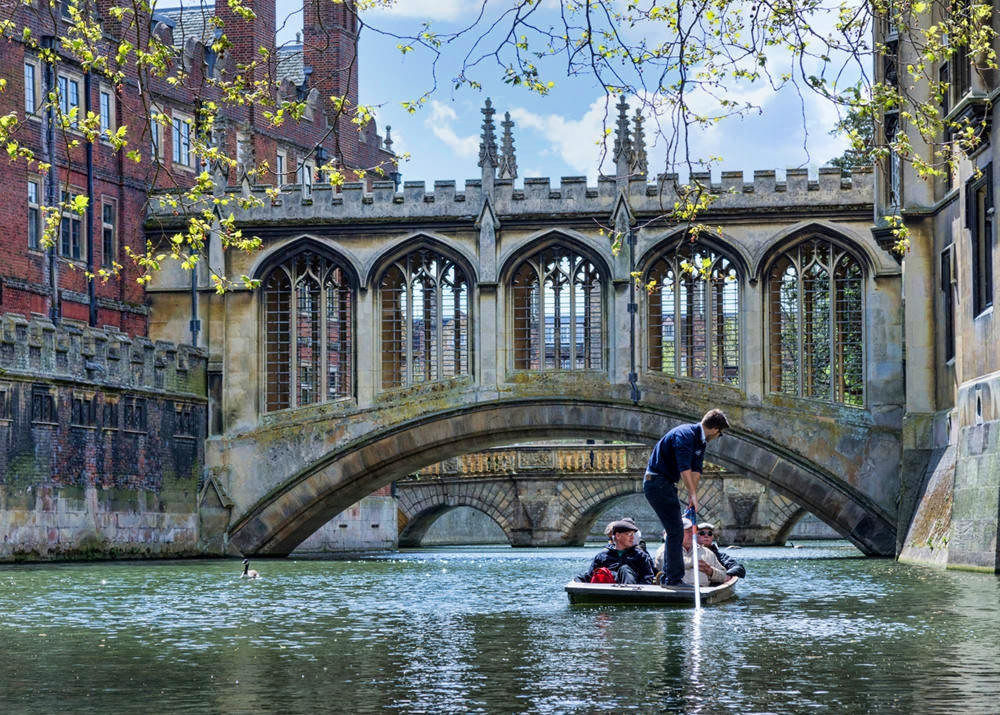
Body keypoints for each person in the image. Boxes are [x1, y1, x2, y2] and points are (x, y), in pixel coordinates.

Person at [643, 408, 730, 586]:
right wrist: (691, 494)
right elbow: (685, 469)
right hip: (657, 483)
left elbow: (696, 469)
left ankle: (670, 577)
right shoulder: (684, 435)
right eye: (720, 434)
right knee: (675, 531)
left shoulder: (701, 442)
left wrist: (693, 495)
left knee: (674, 530)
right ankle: (673, 579)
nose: (717, 437)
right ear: (715, 429)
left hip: (666, 485)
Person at [575, 518, 656, 585]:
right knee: (602, 572)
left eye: (633, 534)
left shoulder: (640, 555)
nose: (632, 538)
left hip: (633, 590)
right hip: (608, 590)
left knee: (625, 569)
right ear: (618, 536)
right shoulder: (602, 555)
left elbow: (647, 578)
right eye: (629, 534)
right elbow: (589, 575)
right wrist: (577, 581)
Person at [654, 518, 727, 585]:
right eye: (687, 531)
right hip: (675, 590)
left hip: (702, 591)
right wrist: (693, 562)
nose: (692, 533)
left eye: (693, 530)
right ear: (678, 532)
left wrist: (710, 571)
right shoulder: (665, 549)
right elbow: (667, 563)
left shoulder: (707, 553)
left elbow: (724, 575)